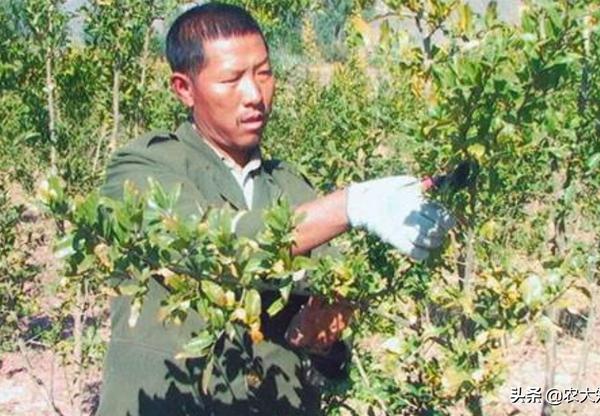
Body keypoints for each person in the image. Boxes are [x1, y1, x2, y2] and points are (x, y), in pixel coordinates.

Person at [96, 3, 455, 415]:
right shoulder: (143, 166)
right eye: (232, 79)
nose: (255, 95)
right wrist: (351, 204)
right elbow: (210, 243)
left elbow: (329, 346)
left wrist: (323, 343)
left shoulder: (292, 186)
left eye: (264, 74)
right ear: (184, 88)